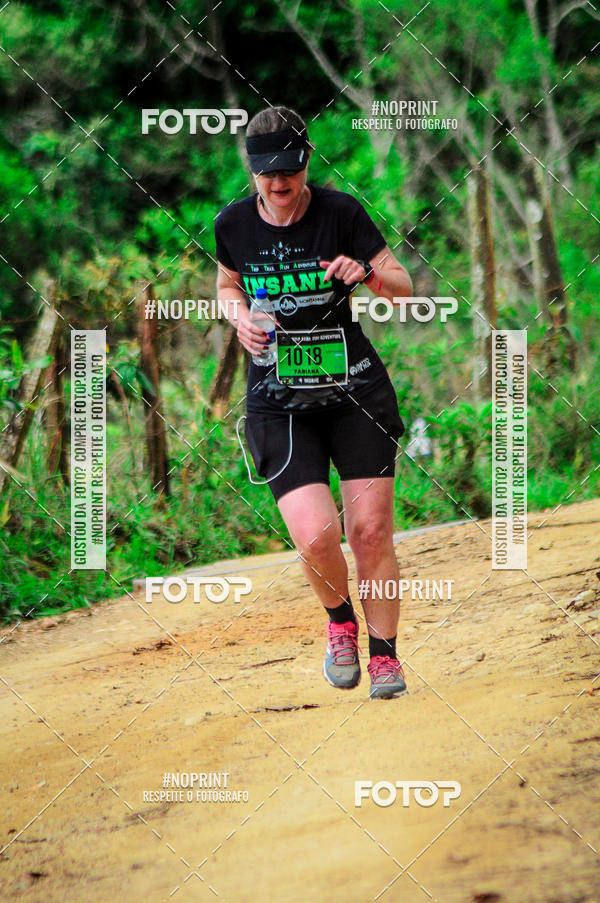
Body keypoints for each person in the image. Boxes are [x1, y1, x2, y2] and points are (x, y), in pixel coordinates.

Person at [214, 106, 413, 699]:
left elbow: (403, 286)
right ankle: (340, 622)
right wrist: (239, 314)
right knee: (315, 537)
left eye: (292, 171)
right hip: (278, 401)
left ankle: (385, 656)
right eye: (269, 173)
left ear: (308, 163)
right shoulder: (231, 225)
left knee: (371, 531)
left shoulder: (341, 213)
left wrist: (368, 275)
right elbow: (227, 283)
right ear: (251, 169)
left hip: (354, 391)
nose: (281, 184)